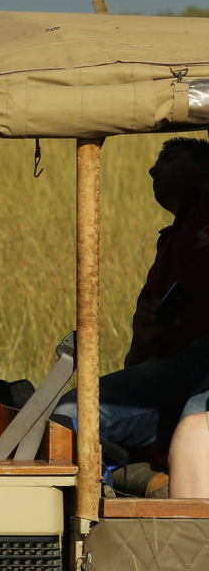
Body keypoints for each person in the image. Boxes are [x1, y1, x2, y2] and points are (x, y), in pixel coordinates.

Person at [52, 137, 209, 497]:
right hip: (179, 370)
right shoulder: (169, 246)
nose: (154, 169)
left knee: (197, 427)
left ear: (205, 167)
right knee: (70, 414)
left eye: (169, 158)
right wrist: (143, 338)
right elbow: (137, 362)